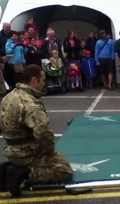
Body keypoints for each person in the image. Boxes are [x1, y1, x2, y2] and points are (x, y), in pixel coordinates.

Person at [0, 65, 73, 197]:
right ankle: (26, 173)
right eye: (43, 80)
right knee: (64, 169)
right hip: (27, 152)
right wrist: (50, 152)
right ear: (34, 80)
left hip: (11, 149)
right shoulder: (30, 104)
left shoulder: (8, 97)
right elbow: (43, 134)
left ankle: (10, 168)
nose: (44, 83)